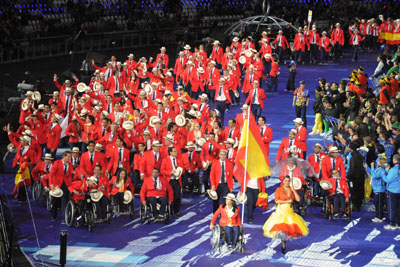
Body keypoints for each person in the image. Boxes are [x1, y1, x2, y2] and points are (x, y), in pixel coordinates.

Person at [263, 176, 309, 254]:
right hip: (281, 211)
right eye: (286, 181)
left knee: (288, 229)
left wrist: (294, 190)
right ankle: (283, 245)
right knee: (282, 229)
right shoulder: (279, 189)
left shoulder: (291, 190)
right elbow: (277, 200)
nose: (287, 182)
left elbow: (298, 199)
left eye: (288, 181)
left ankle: (284, 243)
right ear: (283, 182)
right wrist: (287, 201)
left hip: (289, 211)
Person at [381, 154, 400, 230]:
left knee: (392, 208)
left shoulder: (393, 170)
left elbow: (387, 180)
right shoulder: (396, 169)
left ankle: (392, 223)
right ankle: (398, 223)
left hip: (393, 191)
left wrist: (383, 174)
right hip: (399, 191)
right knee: (398, 208)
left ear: (394, 160)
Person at [364, 158, 387, 223]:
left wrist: (372, 167)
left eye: (378, 162)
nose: (377, 162)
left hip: (379, 190)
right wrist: (367, 167)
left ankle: (379, 217)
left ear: (381, 163)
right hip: (377, 189)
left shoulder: (381, 170)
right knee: (377, 203)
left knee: (378, 204)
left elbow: (374, 176)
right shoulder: (379, 169)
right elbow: (373, 173)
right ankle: (381, 216)